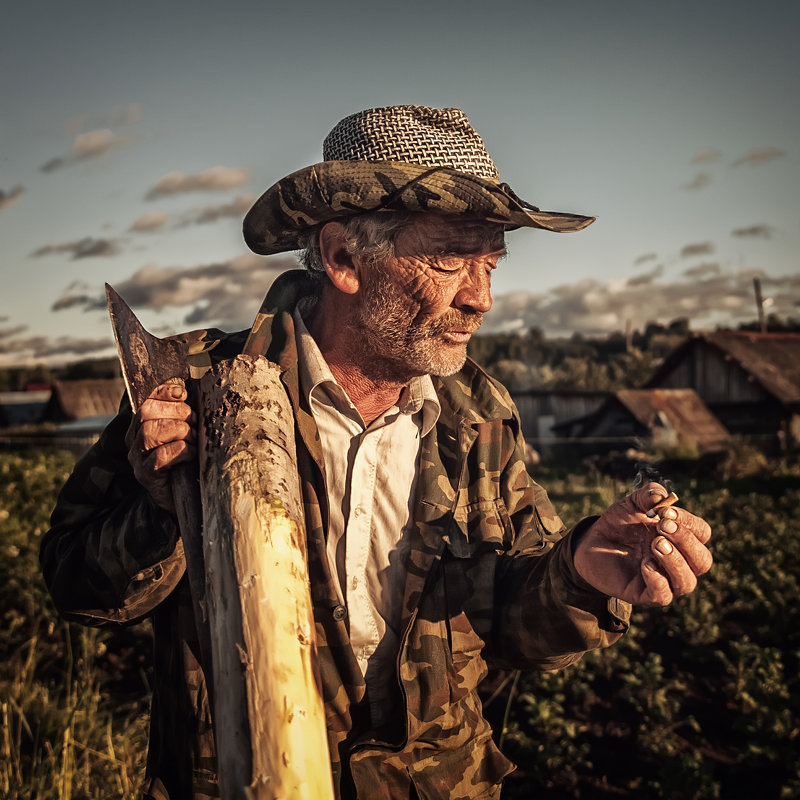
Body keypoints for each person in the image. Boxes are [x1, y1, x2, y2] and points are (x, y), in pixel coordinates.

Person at [41, 105, 712, 800]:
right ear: (343, 259)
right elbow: (76, 586)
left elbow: (510, 628)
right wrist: (164, 510)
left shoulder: (481, 416)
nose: (480, 299)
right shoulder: (197, 388)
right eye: (450, 259)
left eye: (489, 264)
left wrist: (580, 575)